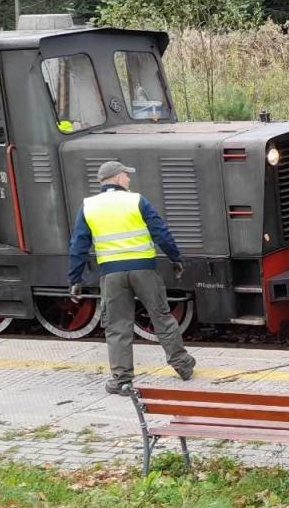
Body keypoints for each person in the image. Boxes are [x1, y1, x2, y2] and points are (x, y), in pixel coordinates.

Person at [69, 161, 196, 395]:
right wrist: (175, 258)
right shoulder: (136, 200)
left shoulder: (88, 206)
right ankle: (183, 366)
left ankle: (122, 381)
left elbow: (78, 246)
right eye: (126, 175)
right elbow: (161, 232)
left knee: (117, 327)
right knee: (162, 318)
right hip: (144, 271)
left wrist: (75, 279)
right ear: (117, 178)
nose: (129, 179)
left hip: (112, 275)